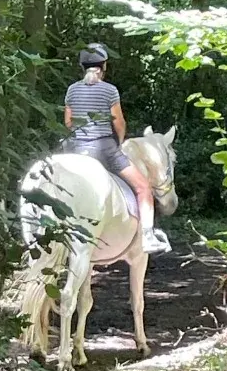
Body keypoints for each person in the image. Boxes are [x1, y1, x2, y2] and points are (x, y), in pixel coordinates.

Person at [63, 43, 170, 254]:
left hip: (75, 148)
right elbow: (118, 122)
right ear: (103, 67)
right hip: (103, 149)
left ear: (82, 67)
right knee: (143, 187)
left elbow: (68, 122)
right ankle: (147, 236)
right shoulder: (109, 90)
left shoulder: (72, 90)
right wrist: (119, 142)